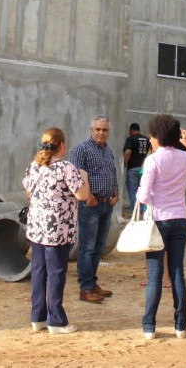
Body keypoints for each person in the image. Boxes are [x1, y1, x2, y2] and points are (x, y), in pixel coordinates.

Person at [136, 114, 186, 340]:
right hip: (180, 218)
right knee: (177, 271)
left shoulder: (153, 160)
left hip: (158, 220)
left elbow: (144, 195)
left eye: (151, 135)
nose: (150, 139)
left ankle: (149, 327)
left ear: (158, 135)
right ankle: (180, 326)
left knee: (155, 275)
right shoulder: (184, 157)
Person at [23, 128, 91, 334]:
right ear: (62, 145)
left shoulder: (34, 166)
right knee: (56, 274)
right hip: (58, 230)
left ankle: (38, 317)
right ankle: (56, 320)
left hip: (37, 229)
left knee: (38, 272)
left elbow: (28, 191)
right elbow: (82, 195)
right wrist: (84, 176)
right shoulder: (66, 168)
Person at [69, 115, 119, 304]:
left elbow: (112, 172)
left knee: (98, 247)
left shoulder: (108, 151)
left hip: (107, 204)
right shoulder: (81, 150)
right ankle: (85, 288)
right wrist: (88, 197)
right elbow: (75, 175)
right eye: (97, 129)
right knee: (87, 248)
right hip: (90, 205)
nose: (101, 133)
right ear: (91, 130)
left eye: (104, 130)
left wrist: (116, 193)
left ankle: (92, 283)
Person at [123, 123, 151, 214]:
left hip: (132, 169)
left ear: (131, 130)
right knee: (144, 191)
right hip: (145, 169)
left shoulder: (130, 139)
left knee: (133, 192)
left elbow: (127, 152)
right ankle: (144, 213)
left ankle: (136, 214)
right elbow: (151, 153)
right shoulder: (147, 140)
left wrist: (124, 164)